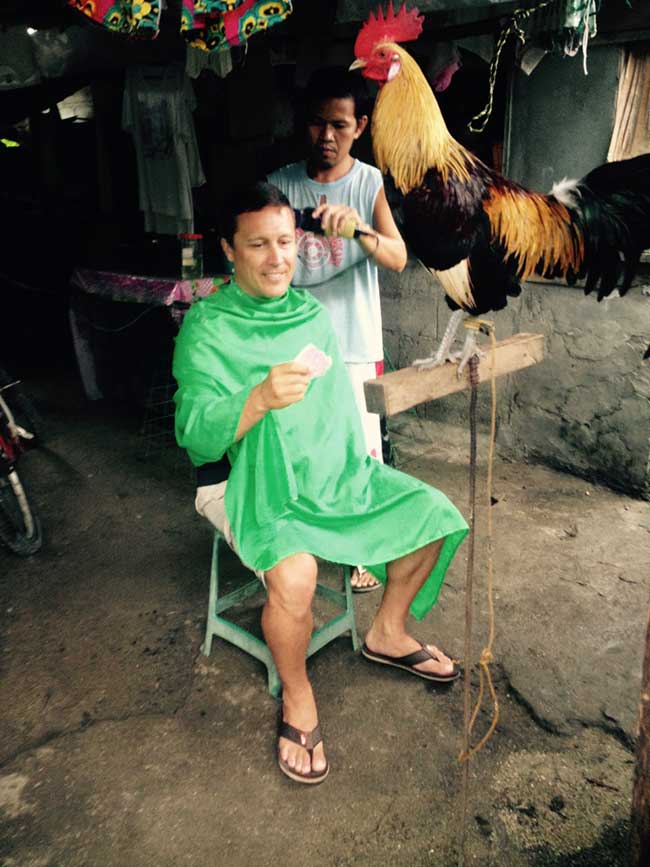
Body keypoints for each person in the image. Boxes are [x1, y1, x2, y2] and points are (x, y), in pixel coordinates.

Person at [173, 182, 468, 785]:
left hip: (328, 473)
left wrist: (354, 479)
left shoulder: (310, 315)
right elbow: (197, 438)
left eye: (285, 241)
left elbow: (336, 419)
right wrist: (255, 400)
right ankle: (298, 693)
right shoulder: (205, 326)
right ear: (228, 250)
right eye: (258, 244)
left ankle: (386, 632)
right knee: (299, 572)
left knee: (432, 512)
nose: (277, 257)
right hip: (238, 482)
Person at [268, 67, 407, 592]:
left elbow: (397, 257)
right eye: (317, 124)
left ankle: (361, 550)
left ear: (361, 126)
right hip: (295, 342)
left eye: (340, 126)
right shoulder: (282, 184)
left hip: (352, 342)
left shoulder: (368, 182)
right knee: (300, 444)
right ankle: (303, 538)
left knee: (360, 447)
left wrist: (360, 228)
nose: (327, 137)